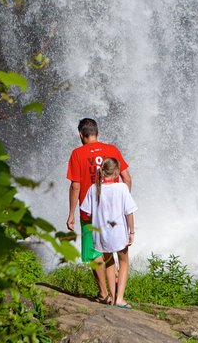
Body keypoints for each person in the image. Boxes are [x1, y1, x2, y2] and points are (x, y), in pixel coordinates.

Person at [65, 118, 132, 303]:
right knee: (116, 250)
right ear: (97, 133)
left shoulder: (77, 153)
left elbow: (76, 186)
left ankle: (104, 294)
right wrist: (123, 203)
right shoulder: (112, 150)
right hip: (114, 214)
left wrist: (71, 213)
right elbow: (127, 178)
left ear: (80, 134)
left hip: (90, 213)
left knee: (94, 252)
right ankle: (117, 294)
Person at [79, 157, 137, 308]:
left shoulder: (94, 188)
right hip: (118, 233)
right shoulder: (122, 188)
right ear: (117, 172)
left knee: (109, 262)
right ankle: (120, 298)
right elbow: (129, 212)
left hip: (101, 235)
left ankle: (111, 296)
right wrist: (132, 231)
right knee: (123, 262)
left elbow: (87, 212)